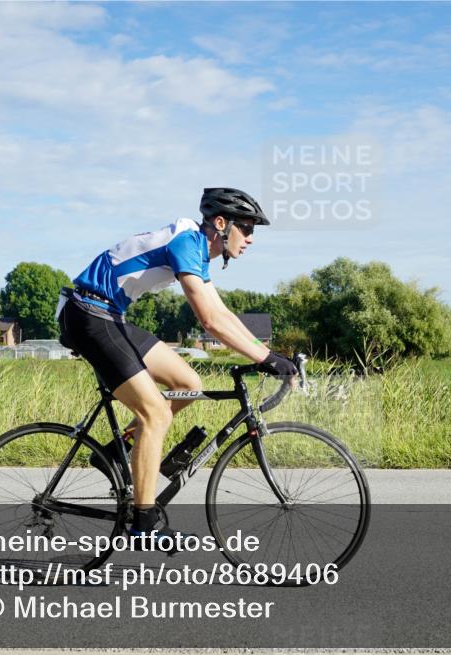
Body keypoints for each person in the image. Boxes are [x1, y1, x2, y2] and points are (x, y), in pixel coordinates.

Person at [56, 187, 298, 550]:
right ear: (221, 223)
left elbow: (224, 313)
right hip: (89, 315)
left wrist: (268, 353)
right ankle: (143, 524)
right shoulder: (187, 243)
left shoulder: (197, 251)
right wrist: (266, 360)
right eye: (246, 229)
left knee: (188, 382)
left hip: (109, 315)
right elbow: (210, 321)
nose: (250, 238)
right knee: (155, 414)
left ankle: (115, 452)